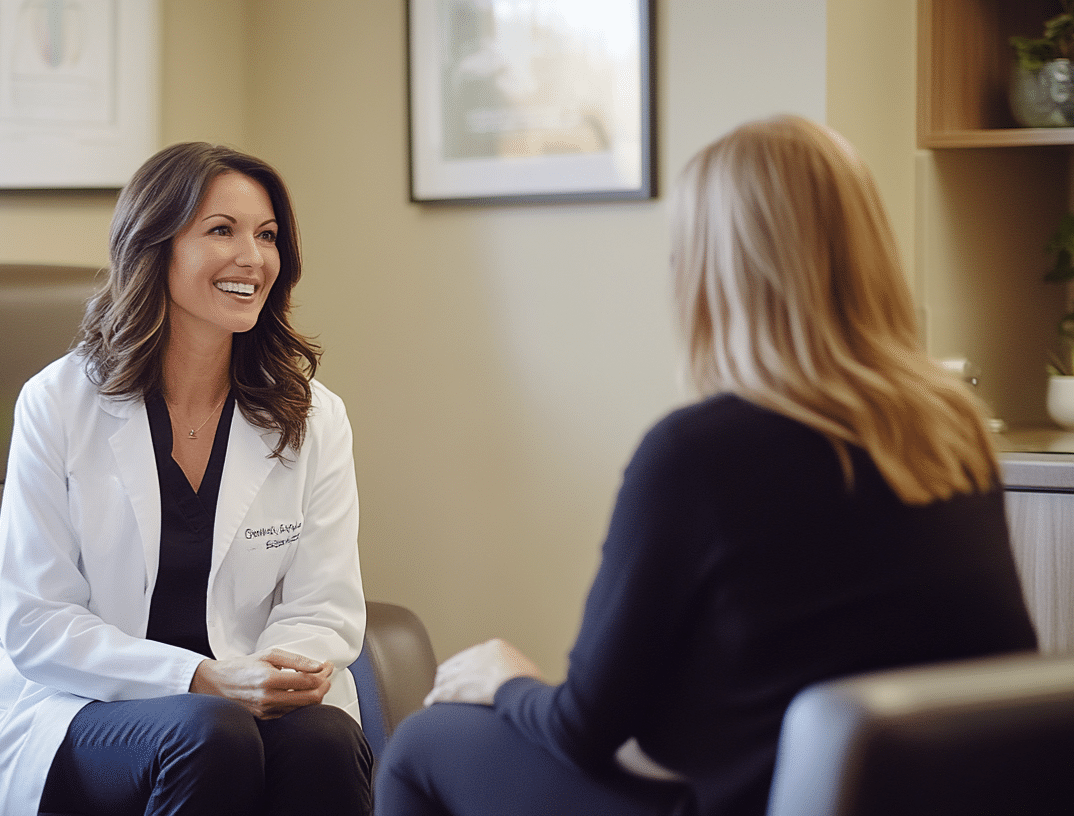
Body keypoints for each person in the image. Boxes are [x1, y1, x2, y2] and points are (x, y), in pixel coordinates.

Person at [373, 115, 1039, 816]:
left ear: (714, 270)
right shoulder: (951, 430)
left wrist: (508, 682)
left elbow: (583, 728)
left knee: (425, 743)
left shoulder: (695, 455)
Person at [0, 143, 371, 816]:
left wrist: (272, 673)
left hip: (242, 705)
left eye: (266, 236)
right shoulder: (59, 404)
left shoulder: (314, 416)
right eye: (221, 231)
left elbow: (324, 606)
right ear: (155, 247)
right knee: (213, 732)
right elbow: (37, 621)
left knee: (324, 740)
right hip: (81, 708)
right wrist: (202, 678)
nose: (253, 258)